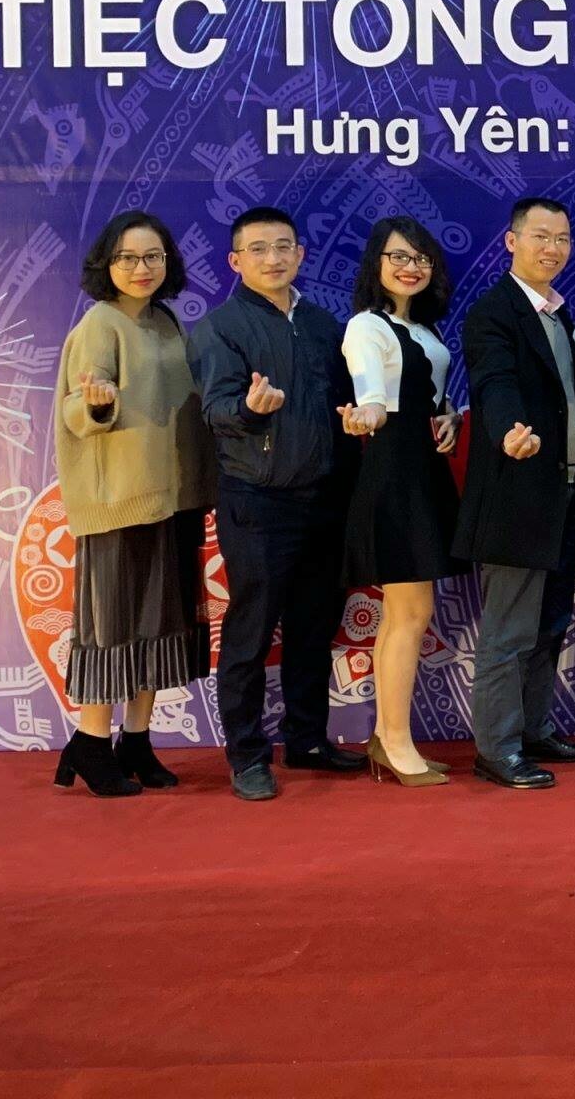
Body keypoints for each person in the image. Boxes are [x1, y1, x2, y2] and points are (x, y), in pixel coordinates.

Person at [188, 205, 361, 800]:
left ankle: (307, 740)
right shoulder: (221, 328)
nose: (273, 258)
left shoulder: (323, 324)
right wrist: (248, 409)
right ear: (235, 261)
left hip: (326, 499)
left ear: (301, 255)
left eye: (284, 247)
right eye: (258, 249)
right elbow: (215, 409)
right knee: (251, 631)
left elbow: (346, 402)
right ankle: (246, 756)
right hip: (257, 500)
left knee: (314, 627)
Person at [50, 211, 216, 797]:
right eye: (127, 257)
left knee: (161, 624)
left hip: (174, 499)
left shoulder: (166, 321)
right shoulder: (100, 324)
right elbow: (77, 407)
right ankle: (92, 741)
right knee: (114, 628)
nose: (140, 268)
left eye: (152, 257)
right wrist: (96, 402)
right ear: (107, 263)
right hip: (119, 500)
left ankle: (137, 741)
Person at [453, 198, 575, 790]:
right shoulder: (494, 312)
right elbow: (495, 383)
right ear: (511, 241)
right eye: (541, 236)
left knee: (550, 623)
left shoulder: (561, 316)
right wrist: (509, 431)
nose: (552, 248)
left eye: (562, 238)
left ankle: (534, 730)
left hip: (565, 491)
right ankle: (496, 748)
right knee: (510, 630)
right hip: (517, 494)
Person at [338, 216, 462, 788]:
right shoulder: (367, 325)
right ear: (376, 263)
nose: (411, 267)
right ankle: (394, 741)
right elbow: (370, 392)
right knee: (409, 614)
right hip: (394, 473)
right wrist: (366, 411)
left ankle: (388, 737)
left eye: (421, 258)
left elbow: (428, 396)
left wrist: (448, 417)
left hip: (424, 469)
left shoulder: (424, 331)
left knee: (405, 614)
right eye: (398, 257)